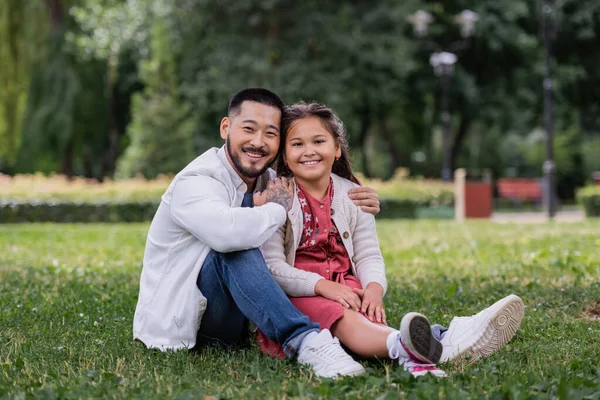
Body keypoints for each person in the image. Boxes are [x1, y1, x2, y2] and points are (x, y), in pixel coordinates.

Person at [256, 102, 525, 377]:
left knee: (366, 320)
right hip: (301, 293)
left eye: (319, 141)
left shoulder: (354, 195)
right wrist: (323, 286)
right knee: (344, 319)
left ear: (336, 148)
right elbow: (273, 267)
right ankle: (432, 343)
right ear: (285, 155)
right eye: (297, 144)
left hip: (350, 288)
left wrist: (373, 289)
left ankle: (416, 356)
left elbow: (369, 254)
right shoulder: (279, 196)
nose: (309, 150)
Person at [132, 88, 385, 379]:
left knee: (246, 240)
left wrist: (360, 199)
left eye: (270, 134)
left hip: (248, 318)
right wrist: (275, 208)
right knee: (235, 246)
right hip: (195, 321)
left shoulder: (270, 179)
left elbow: (316, 191)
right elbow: (227, 235)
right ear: (226, 128)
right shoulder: (197, 180)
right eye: (249, 129)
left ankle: (413, 340)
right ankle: (307, 341)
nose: (257, 142)